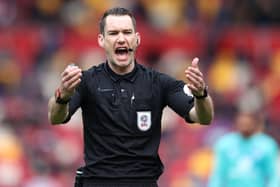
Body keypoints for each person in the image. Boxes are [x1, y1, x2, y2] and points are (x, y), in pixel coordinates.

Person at [48, 7, 214, 187]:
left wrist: (201, 94)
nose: (121, 38)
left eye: (127, 32)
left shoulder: (158, 83)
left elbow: (203, 117)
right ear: (101, 40)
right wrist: (62, 96)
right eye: (113, 33)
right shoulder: (86, 81)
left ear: (137, 39)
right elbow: (56, 117)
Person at [208, 110, 279, 187]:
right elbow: (218, 174)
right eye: (242, 123)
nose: (244, 126)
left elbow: (274, 174)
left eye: (247, 123)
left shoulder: (267, 145)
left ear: (255, 124)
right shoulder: (225, 143)